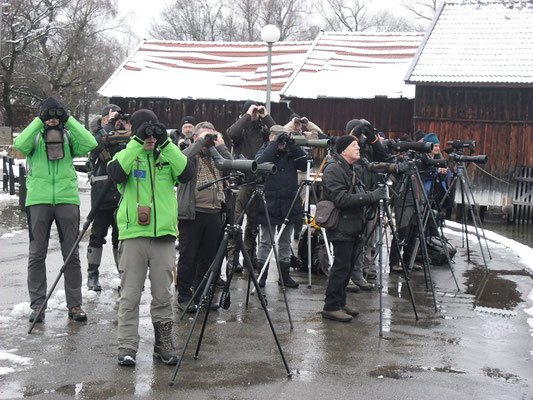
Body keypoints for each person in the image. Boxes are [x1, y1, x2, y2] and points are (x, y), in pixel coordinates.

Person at [107, 109, 193, 366]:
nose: (150, 136)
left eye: (153, 130)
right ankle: (127, 346)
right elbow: (116, 174)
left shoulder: (167, 155)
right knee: (130, 293)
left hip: (163, 237)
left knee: (163, 295)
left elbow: (186, 173)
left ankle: (163, 344)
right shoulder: (128, 154)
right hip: (134, 235)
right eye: (146, 130)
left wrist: (165, 143)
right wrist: (137, 140)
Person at [14, 96, 97, 323]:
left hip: (66, 198)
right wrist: (40, 120)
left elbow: (90, 143)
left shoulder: (68, 135)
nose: (52, 119)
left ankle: (75, 305)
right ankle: (37, 306)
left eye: (55, 115)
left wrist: (67, 119)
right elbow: (19, 146)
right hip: (38, 199)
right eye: (48, 115)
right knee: (36, 253)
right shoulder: (35, 136)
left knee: (71, 254)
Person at [320, 135, 387, 322]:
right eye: (353, 145)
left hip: (353, 225)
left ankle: (340, 301)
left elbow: (356, 194)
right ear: (343, 150)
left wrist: (370, 197)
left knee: (347, 267)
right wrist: (371, 197)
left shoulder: (349, 168)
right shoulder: (333, 169)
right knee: (341, 267)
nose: (358, 148)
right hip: (341, 225)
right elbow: (340, 199)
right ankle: (331, 306)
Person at [176, 122, 232, 313]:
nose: (209, 141)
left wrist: (220, 145)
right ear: (196, 138)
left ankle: (202, 295)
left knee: (208, 258)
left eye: (211, 136)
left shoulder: (217, 156)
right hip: (192, 213)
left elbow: (230, 165)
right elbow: (182, 160)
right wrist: (199, 143)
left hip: (214, 212)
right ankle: (184, 296)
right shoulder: (189, 153)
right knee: (188, 256)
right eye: (205, 137)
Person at [254, 125, 308, 288]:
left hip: (289, 203)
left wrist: (292, 145)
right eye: (278, 137)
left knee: (285, 242)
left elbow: (305, 165)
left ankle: (284, 276)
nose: (281, 141)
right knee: (266, 241)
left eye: (283, 137)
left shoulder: (292, 154)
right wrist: (273, 144)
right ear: (270, 137)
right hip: (269, 202)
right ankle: (262, 274)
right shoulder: (265, 150)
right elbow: (260, 164)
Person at [226, 101, 275, 273]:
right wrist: (247, 115)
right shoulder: (241, 128)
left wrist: (266, 116)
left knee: (253, 224)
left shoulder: (262, 129)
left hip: (258, 180)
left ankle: (249, 256)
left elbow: (278, 133)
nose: (255, 115)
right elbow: (231, 133)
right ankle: (232, 259)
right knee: (236, 222)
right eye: (253, 111)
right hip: (240, 181)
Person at [86, 104, 129, 291]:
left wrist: (121, 125)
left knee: (120, 237)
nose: (115, 121)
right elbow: (96, 145)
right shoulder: (96, 136)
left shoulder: (125, 137)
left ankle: (123, 273)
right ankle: (92, 274)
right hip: (102, 193)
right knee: (97, 235)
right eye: (110, 118)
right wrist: (110, 125)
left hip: (121, 193)